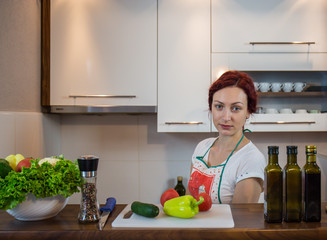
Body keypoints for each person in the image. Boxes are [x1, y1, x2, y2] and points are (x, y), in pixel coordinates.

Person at [187, 71, 266, 204]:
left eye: (236, 108)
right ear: (211, 108)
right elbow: (187, 202)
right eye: (219, 106)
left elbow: (240, 221)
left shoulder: (251, 159)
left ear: (248, 111)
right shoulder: (201, 148)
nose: (225, 117)